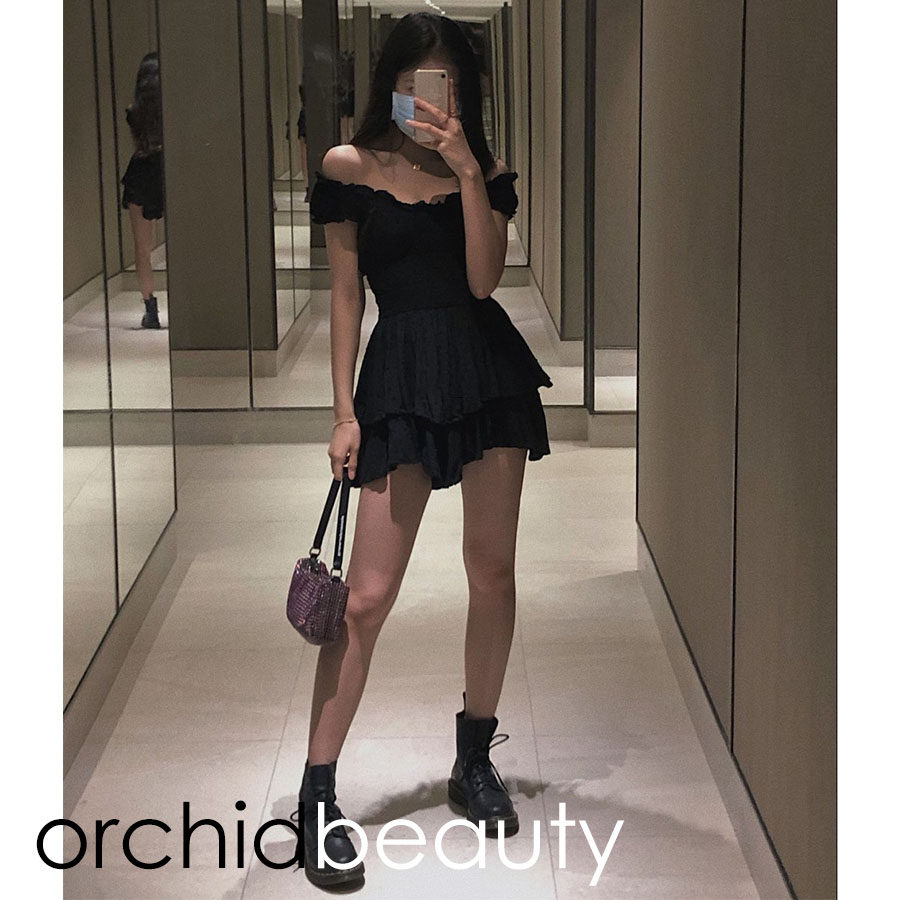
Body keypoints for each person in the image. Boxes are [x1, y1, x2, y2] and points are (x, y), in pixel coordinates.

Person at [298, 12, 553, 888]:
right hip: (400, 375)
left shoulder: (484, 170)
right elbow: (345, 296)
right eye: (413, 83)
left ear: (463, 93)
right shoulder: (348, 167)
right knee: (366, 598)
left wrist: (470, 172)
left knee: (493, 572)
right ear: (391, 84)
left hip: (486, 372)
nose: (426, 100)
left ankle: (473, 756)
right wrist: (343, 412)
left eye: (443, 84)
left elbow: (483, 281)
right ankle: (318, 793)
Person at [121, 51, 164, 329]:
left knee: (142, 247)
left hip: (141, 171)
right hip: (167, 168)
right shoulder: (171, 110)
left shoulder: (133, 112)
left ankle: (151, 309)